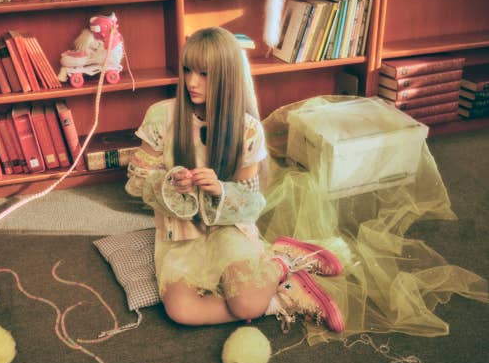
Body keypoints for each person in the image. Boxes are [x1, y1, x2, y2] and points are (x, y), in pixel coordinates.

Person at [125, 27, 345, 332]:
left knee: (248, 304)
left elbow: (251, 203)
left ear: (227, 76)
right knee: (181, 311)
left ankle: (282, 260)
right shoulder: (161, 116)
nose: (191, 82)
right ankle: (284, 293)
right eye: (187, 70)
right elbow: (136, 181)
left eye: (204, 74)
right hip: (179, 232)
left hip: (227, 225)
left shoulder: (247, 129)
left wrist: (220, 189)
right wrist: (169, 182)